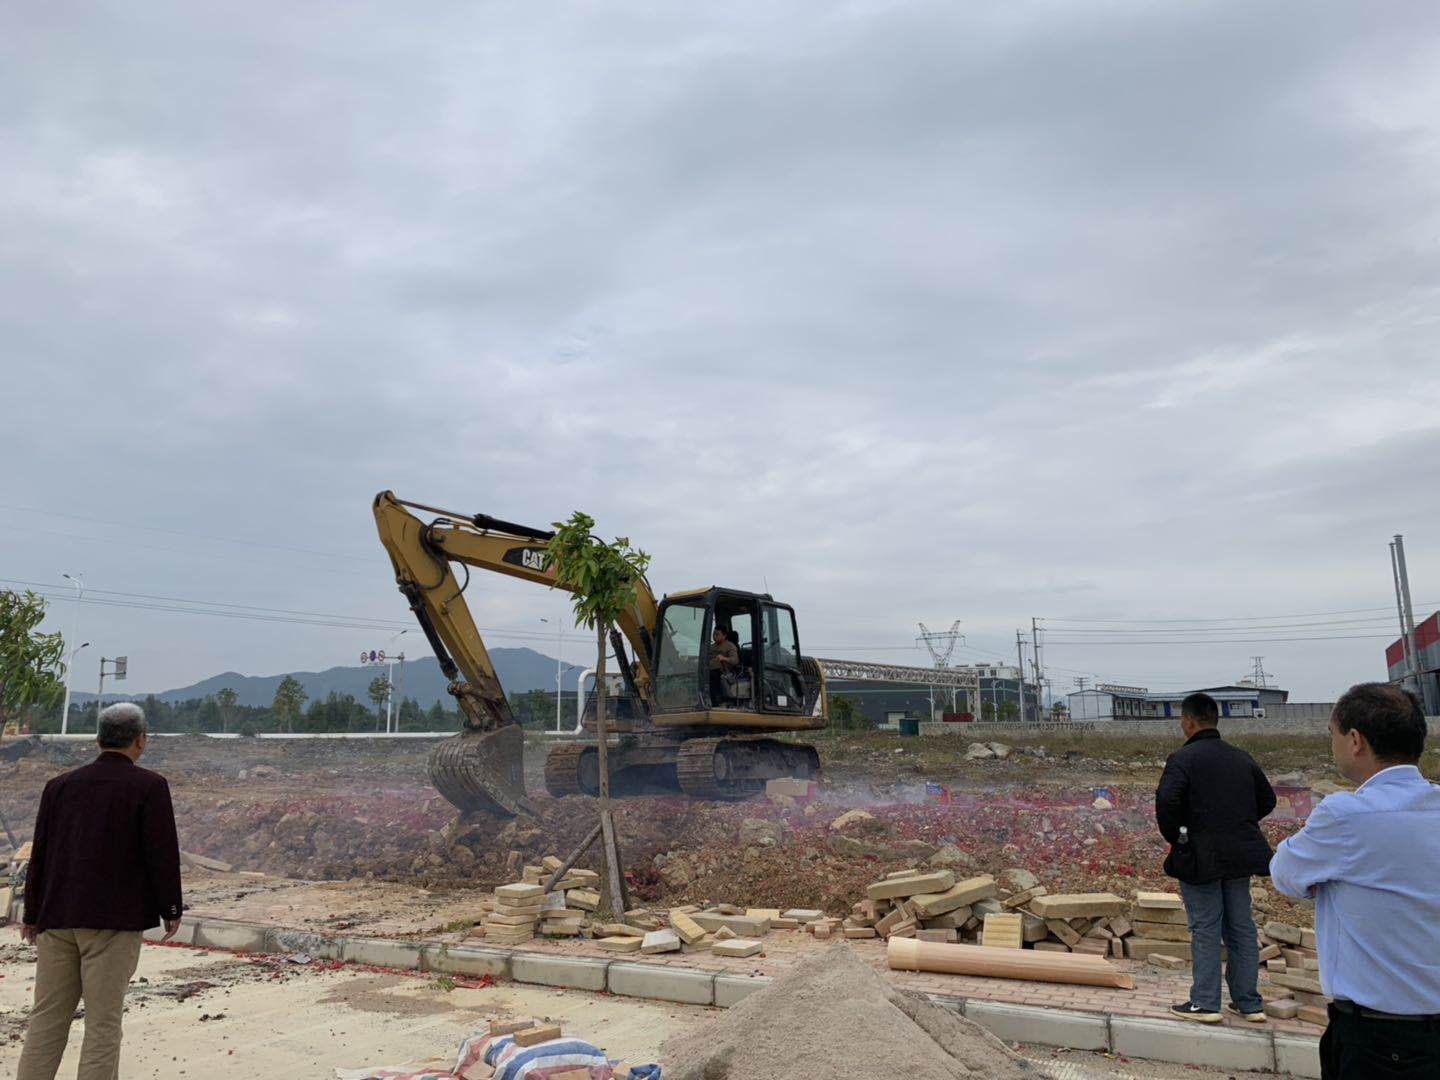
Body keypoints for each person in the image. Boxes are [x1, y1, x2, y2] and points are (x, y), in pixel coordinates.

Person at [1270, 683, 1440, 1078]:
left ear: (1355, 740)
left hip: (1379, 1039)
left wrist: (1325, 880)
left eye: (1332, 735)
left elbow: (1285, 873)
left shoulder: (1347, 816)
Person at [17, 702, 183, 1080]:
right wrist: (171, 906)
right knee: (102, 1024)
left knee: (46, 1018)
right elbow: (160, 852)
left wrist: (31, 913)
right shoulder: (149, 786)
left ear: (98, 740)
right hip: (113, 924)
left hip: (57, 918)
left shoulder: (58, 786)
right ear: (141, 740)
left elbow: (40, 852)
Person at [1154, 692, 1276, 1024]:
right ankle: (1249, 1003)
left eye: (1182, 719)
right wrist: (1238, 824)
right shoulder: (1241, 758)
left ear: (1188, 721)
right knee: (1241, 927)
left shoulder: (1182, 759)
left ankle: (1205, 1003)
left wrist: (1179, 837)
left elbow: (1167, 802)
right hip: (1239, 855)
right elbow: (1267, 800)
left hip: (1199, 856)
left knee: (1206, 926)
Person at [708, 625, 740, 705]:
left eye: (717, 634)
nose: (714, 636)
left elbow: (735, 660)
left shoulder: (730, 646)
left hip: (725, 672)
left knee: (713, 675)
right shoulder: (710, 647)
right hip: (709, 669)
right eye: (713, 634)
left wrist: (724, 658)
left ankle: (716, 702)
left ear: (724, 636)